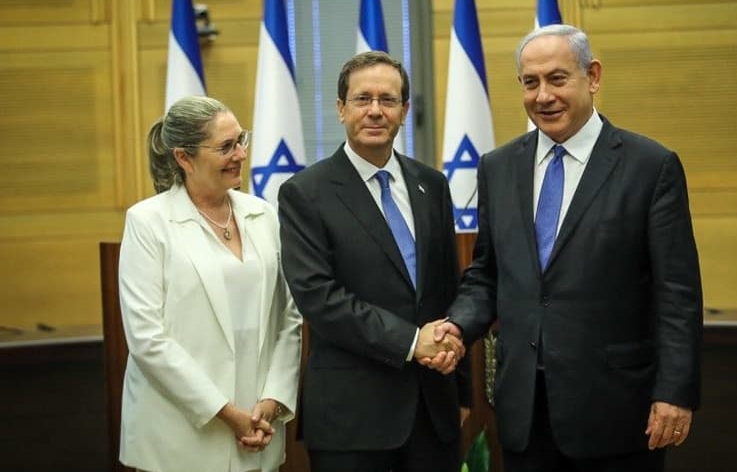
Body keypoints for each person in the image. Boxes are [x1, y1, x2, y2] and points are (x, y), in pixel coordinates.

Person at [432, 24, 703, 471]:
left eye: (557, 79)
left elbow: (678, 294)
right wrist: (458, 327)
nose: (543, 96)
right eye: (530, 82)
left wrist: (675, 392)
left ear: (592, 76)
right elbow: (487, 273)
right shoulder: (498, 168)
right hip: (524, 414)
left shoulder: (650, 167)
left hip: (616, 413)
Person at [278, 51, 471, 472]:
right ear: (340, 108)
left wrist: (461, 390)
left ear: (404, 111)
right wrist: (411, 342)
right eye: (363, 99)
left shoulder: (432, 185)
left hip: (433, 412)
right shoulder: (305, 193)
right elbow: (319, 298)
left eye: (388, 100)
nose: (375, 111)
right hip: (353, 420)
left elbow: (448, 288)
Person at [117, 96, 302, 472]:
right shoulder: (148, 222)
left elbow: (288, 317)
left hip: (260, 427)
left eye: (241, 140)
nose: (241, 155)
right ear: (184, 158)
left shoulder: (263, 214)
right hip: (178, 437)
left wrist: (272, 401)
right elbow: (147, 339)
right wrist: (226, 412)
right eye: (226, 147)